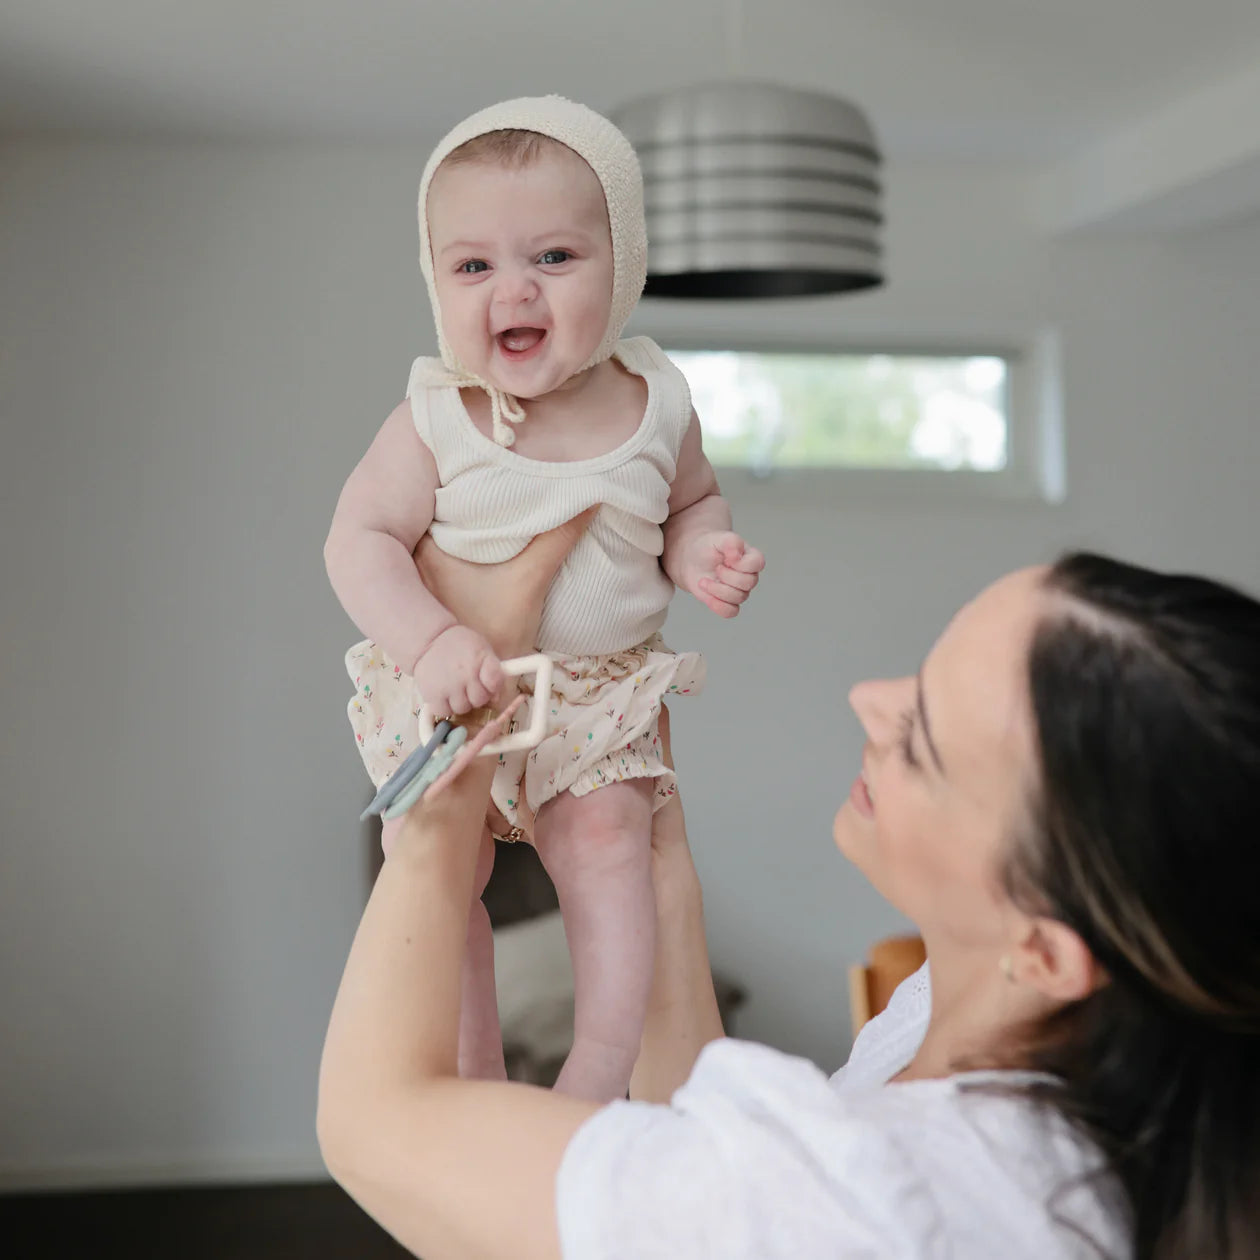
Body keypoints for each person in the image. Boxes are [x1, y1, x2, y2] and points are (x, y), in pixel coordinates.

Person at [319, 514, 1260, 1259]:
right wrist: (658, 867)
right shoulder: (1006, 1033)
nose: (869, 699)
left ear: (1048, 951)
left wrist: (447, 770)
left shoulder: (879, 1207)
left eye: (922, 738)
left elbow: (375, 1124)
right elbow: (695, 1137)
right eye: (920, 674)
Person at [323, 95, 763, 1101]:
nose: (513, 289)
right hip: (452, 687)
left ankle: (596, 1070)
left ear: (625, 267)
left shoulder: (657, 401)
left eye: (554, 259)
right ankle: (471, 1062)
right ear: (434, 282)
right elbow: (359, 542)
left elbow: (693, 502)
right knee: (437, 873)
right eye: (474, 265)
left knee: (611, 845)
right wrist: (431, 641)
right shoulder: (436, 413)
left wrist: (703, 554)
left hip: (598, 693)